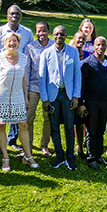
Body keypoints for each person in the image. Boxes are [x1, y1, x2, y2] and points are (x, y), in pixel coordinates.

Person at [0, 33, 37, 171]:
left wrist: (25, 98)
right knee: (1, 126)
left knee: (23, 125)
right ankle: (5, 158)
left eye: (14, 41)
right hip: (1, 96)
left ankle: (28, 156)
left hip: (18, 96)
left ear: (18, 43)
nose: (12, 44)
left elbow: (23, 79)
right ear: (4, 43)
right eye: (9, 41)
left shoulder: (23, 58)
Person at [0, 5, 34, 156]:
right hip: (3, 74)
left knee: (17, 109)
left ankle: (12, 139)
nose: (14, 16)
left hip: (19, 73)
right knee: (0, 111)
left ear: (21, 16)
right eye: (12, 14)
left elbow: (29, 52)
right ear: (7, 15)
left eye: (17, 14)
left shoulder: (27, 33)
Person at [39, 25, 82, 170]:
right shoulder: (46, 53)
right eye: (57, 34)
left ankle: (70, 156)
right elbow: (42, 77)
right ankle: (59, 155)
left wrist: (76, 96)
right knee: (54, 127)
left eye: (62, 34)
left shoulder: (73, 52)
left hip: (68, 95)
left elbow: (77, 75)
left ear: (66, 36)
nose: (59, 37)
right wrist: (44, 99)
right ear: (53, 36)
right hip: (52, 96)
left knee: (69, 127)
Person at [79, 37, 107, 170]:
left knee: (101, 129)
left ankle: (98, 155)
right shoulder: (87, 63)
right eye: (98, 45)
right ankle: (91, 158)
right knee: (91, 129)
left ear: (106, 46)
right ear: (94, 46)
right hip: (91, 101)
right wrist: (82, 103)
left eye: (103, 45)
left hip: (105, 101)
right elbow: (82, 85)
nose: (100, 47)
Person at [26, 21, 54, 157]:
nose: (41, 33)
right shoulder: (30, 47)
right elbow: (26, 69)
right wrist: (25, 90)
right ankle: (28, 146)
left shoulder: (54, 46)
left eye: (43, 30)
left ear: (49, 31)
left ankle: (44, 145)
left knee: (48, 117)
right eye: (38, 31)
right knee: (28, 117)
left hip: (49, 88)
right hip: (33, 87)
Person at [70, 31, 88, 159]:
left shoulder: (86, 54)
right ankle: (73, 147)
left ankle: (81, 147)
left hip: (84, 92)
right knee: (72, 122)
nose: (81, 41)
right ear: (74, 38)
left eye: (83, 39)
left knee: (81, 121)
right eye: (79, 38)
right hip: (71, 92)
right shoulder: (70, 53)